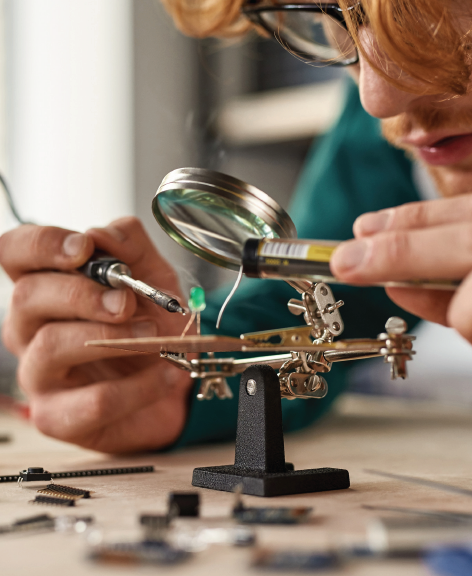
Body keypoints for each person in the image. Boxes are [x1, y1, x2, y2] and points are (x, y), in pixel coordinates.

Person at [0, 0, 470, 453]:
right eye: (342, 19)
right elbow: (323, 308)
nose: (378, 99)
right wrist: (168, 380)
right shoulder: (388, 126)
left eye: (432, 19)